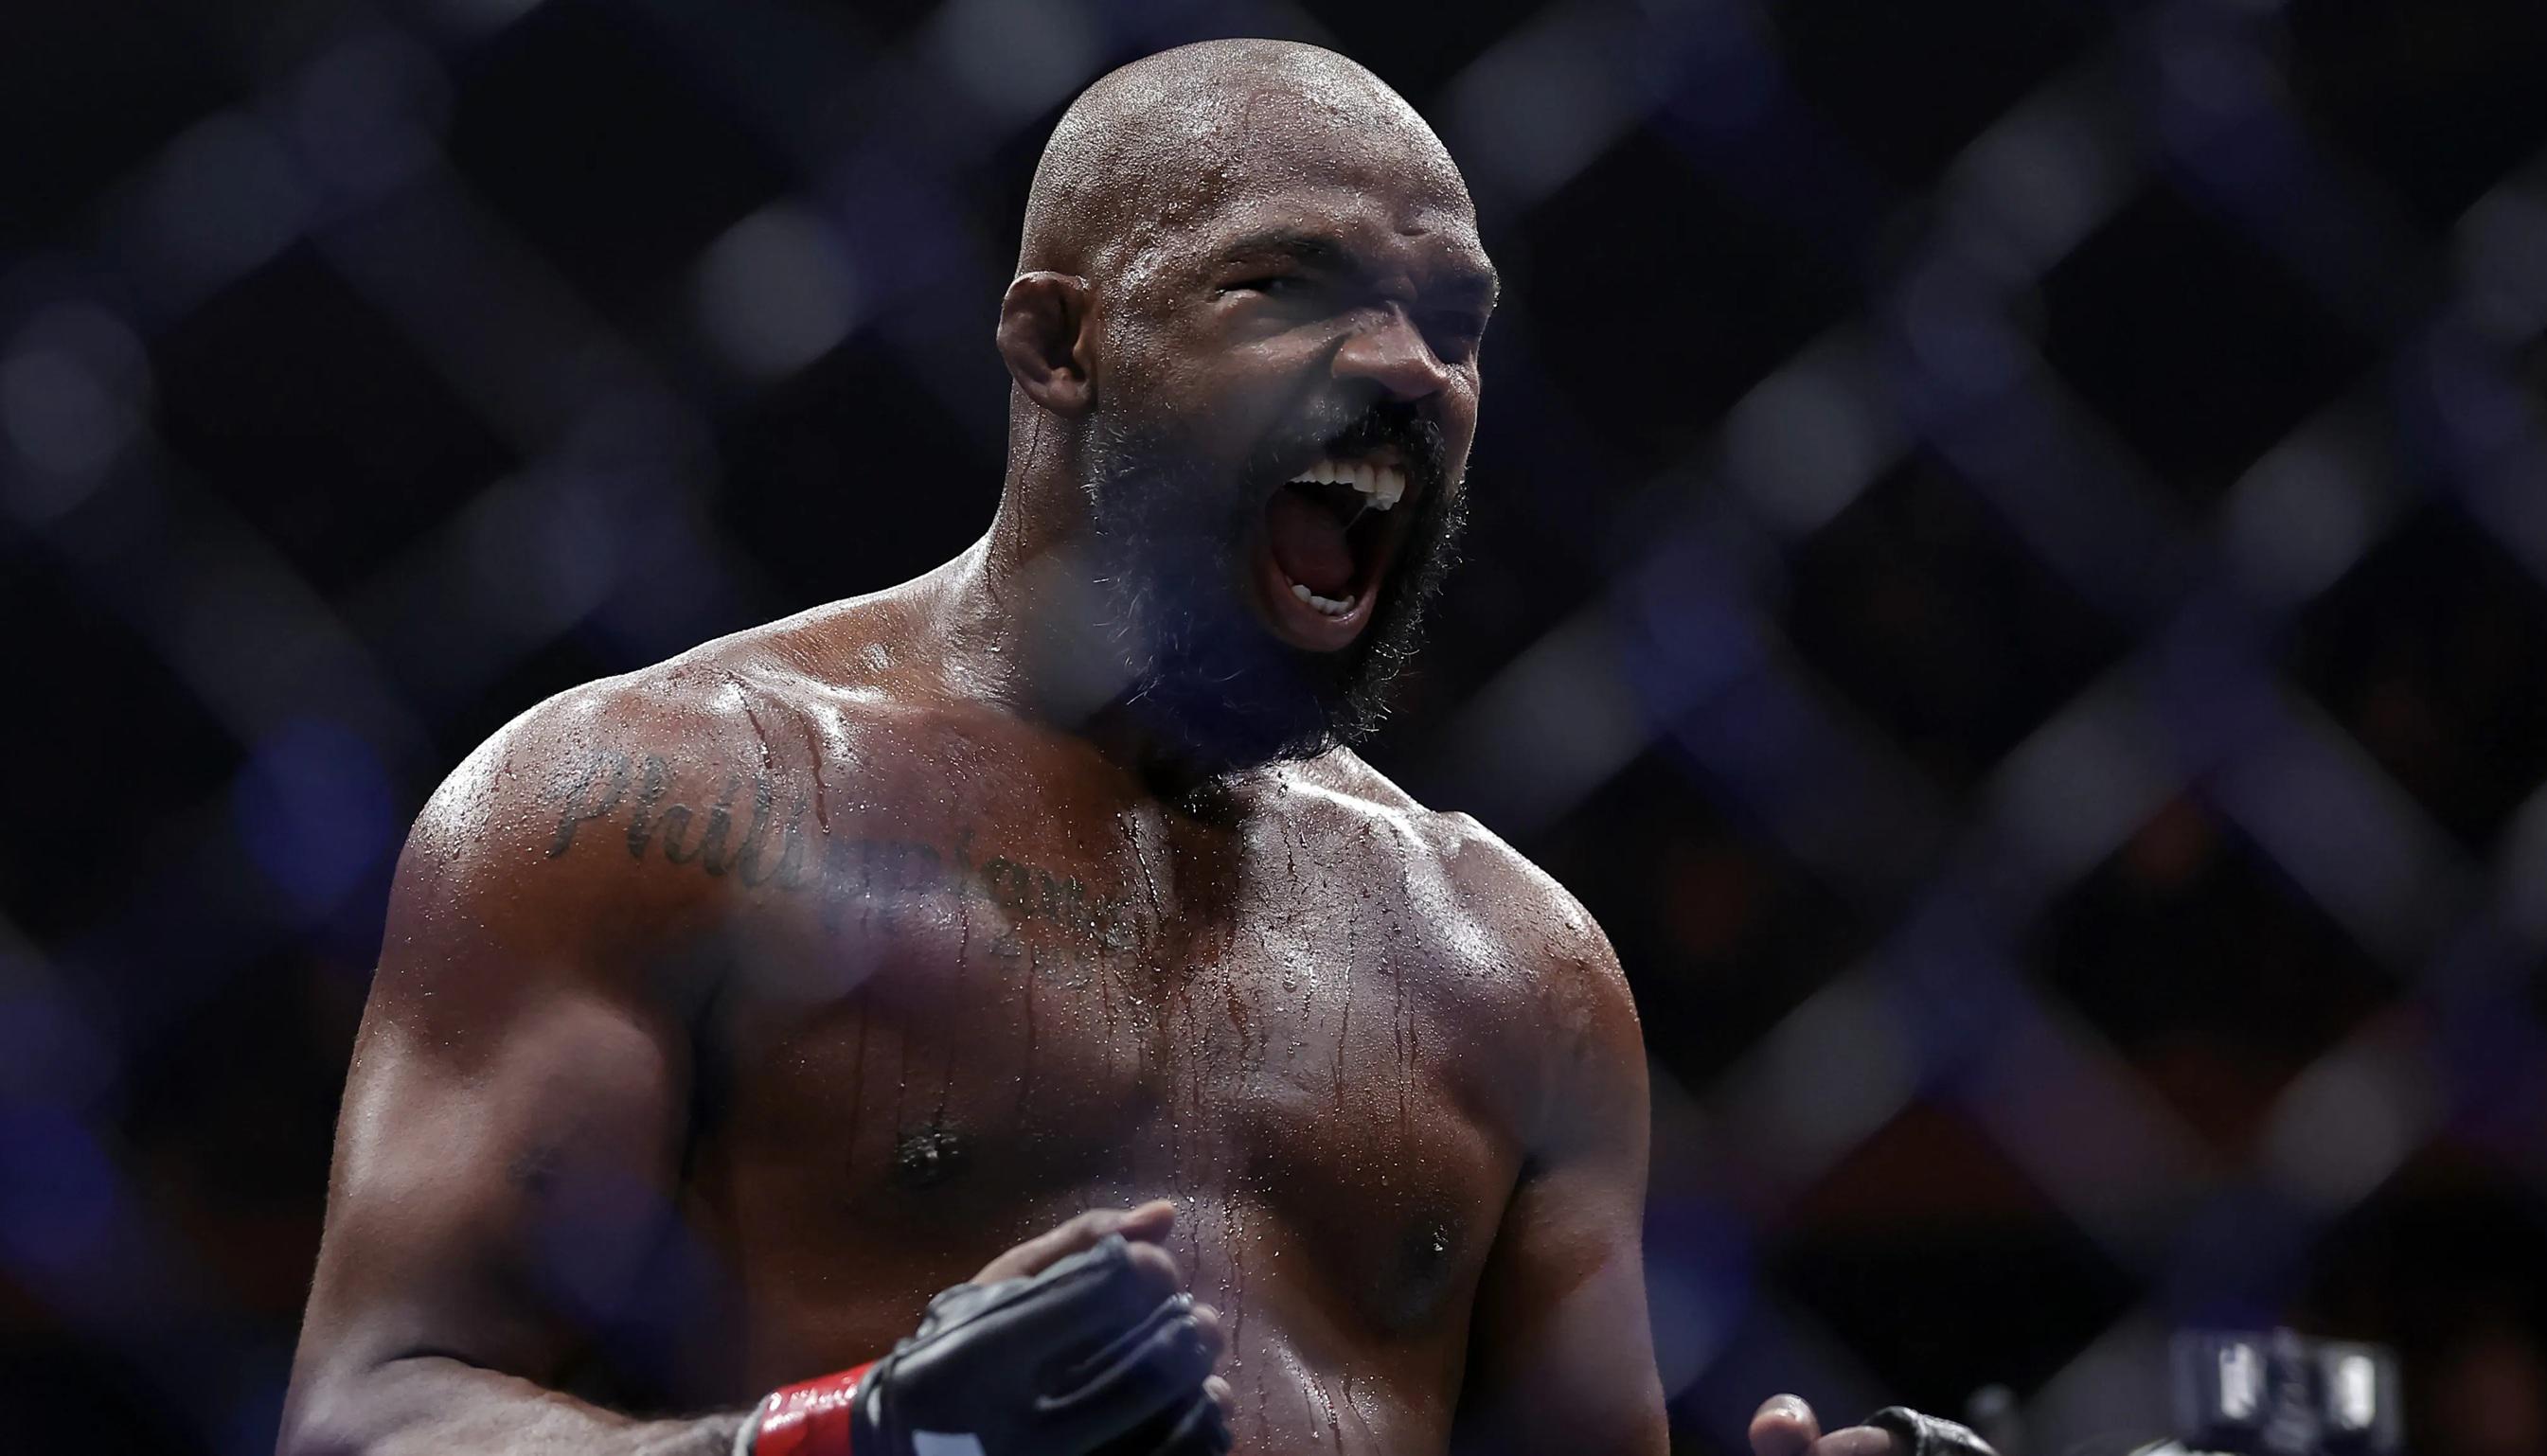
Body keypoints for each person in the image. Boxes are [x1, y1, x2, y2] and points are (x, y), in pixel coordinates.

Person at [278, 37, 1939, 1456]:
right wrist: (846, 1437)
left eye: (1453, 319)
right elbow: (378, 1411)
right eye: (1286, 285)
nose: (1406, 368)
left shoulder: (1516, 964)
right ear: (1057, 344)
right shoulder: (656, 800)